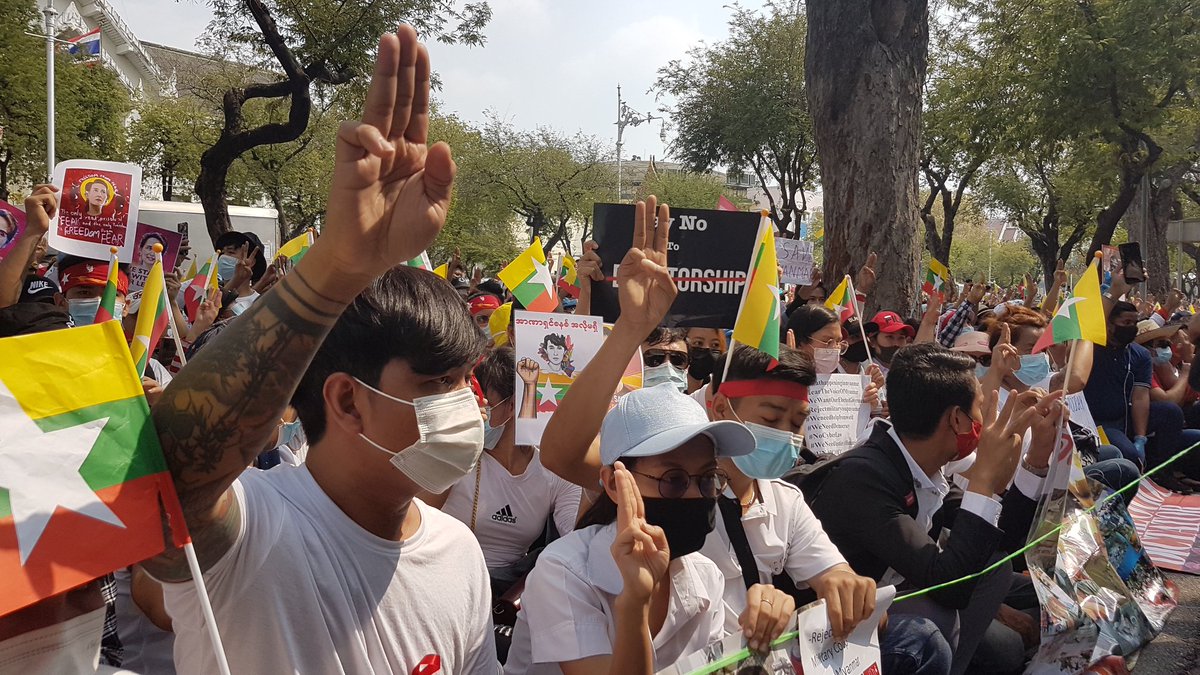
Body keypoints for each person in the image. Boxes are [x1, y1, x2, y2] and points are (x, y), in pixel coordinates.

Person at [143, 26, 499, 673]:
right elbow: (165, 478)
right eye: (437, 385)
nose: (467, 406)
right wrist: (336, 267)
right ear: (347, 400)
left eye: (464, 381)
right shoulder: (253, 533)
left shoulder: (460, 555)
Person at [795, 343, 1055, 675]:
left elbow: (1002, 541)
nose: (984, 418)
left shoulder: (922, 464)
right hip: (828, 637)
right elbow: (950, 587)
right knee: (944, 626)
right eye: (979, 406)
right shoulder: (864, 478)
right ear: (957, 419)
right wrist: (983, 479)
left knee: (996, 569)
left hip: (894, 602)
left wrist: (1036, 460)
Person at [504, 384, 796, 674]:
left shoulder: (706, 577)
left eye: (708, 479)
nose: (695, 495)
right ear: (614, 483)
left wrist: (759, 635)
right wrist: (634, 605)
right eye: (673, 479)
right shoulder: (564, 572)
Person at [427, 345, 584, 595]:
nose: (479, 406)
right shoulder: (457, 450)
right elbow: (418, 513)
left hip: (505, 596)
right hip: (440, 579)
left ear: (513, 406)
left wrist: (588, 467)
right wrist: (453, 450)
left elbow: (578, 536)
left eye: (486, 400)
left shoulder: (554, 471)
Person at [1083, 301, 1187, 471]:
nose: (1131, 327)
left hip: (1127, 418)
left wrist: (1140, 437)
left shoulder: (1140, 355)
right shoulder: (1091, 349)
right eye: (1126, 322)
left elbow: (1140, 397)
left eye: (1134, 322)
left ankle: (1160, 471)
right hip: (1099, 424)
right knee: (1129, 455)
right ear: (1109, 324)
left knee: (1170, 412)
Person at [642, 326, 690, 392]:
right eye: (656, 358)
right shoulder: (626, 399)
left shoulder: (693, 399)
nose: (667, 365)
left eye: (677, 360)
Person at [685, 327, 725, 392]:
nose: (707, 348)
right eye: (698, 343)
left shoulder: (720, 390)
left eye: (715, 344)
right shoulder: (672, 385)